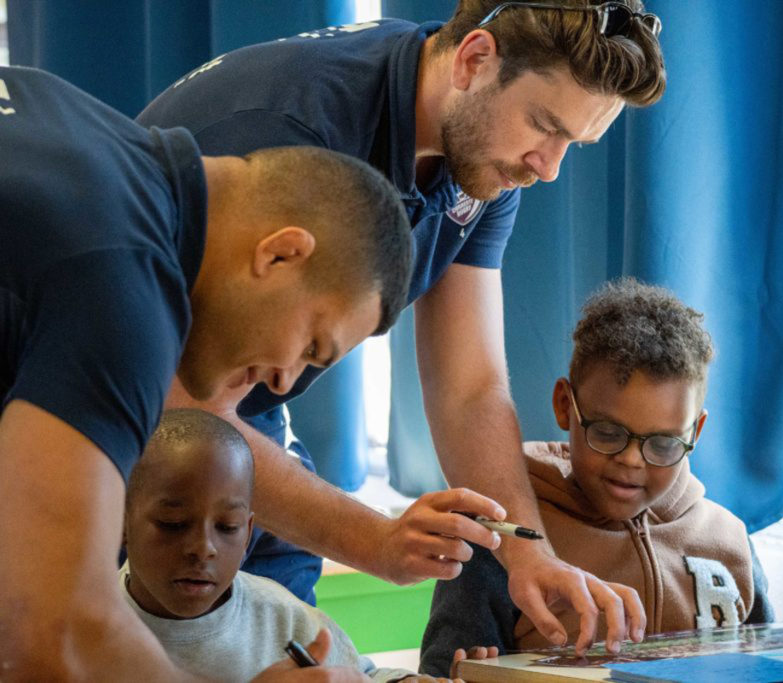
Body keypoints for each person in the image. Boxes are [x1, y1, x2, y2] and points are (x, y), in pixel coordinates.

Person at [138, 0, 667, 654]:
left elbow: (469, 385)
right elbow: (186, 406)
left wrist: (527, 559)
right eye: (543, 126)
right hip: (130, 408)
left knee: (298, 653)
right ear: (475, 59)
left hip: (240, 420)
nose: (549, 166)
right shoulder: (298, 130)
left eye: (573, 145)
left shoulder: (480, 152)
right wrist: (376, 541)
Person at [0, 60, 478, 680]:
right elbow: (49, 631)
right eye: (311, 345)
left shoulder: (82, 137)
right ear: (281, 252)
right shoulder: (124, 288)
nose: (284, 381)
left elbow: (15, 557)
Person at [419, 278, 783, 675]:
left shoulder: (728, 539)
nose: (632, 461)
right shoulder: (506, 541)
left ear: (696, 431)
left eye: (663, 443)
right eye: (607, 432)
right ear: (565, 405)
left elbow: (760, 667)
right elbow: (442, 670)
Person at [122, 408, 497, 682]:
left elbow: (364, 676)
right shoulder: (80, 621)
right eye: (172, 524)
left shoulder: (283, 618)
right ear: (119, 522)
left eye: (228, 526)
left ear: (250, 531)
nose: (203, 548)